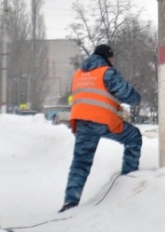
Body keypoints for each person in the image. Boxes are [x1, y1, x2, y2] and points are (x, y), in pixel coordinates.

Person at [60, 44, 142, 213]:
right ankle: (129, 179)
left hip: (82, 121)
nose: (112, 61)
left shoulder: (78, 74)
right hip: (103, 120)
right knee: (133, 137)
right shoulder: (107, 72)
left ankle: (70, 201)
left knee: (80, 163)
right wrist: (137, 98)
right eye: (111, 58)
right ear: (107, 57)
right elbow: (126, 93)